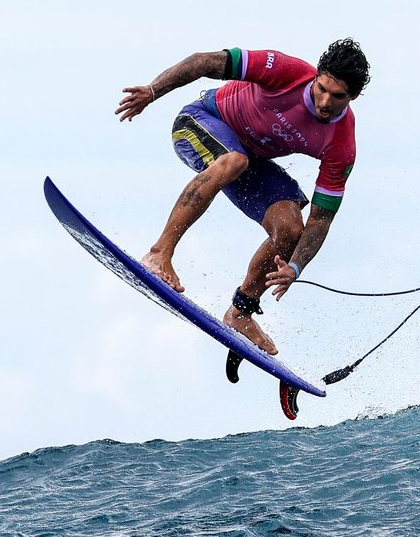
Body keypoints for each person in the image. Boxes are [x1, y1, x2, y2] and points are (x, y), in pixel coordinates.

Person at [115, 38, 370, 381]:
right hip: (200, 122)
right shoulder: (284, 71)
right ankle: (160, 253)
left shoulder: (342, 143)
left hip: (250, 162)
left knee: (292, 230)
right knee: (232, 160)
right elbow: (205, 62)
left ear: (352, 97)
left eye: (337, 97)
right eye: (322, 88)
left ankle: (241, 310)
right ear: (316, 76)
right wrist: (152, 90)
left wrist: (295, 266)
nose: (325, 102)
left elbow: (321, 219)